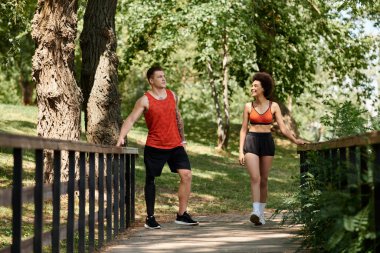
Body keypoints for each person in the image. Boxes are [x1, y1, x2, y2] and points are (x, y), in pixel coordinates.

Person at [116, 66, 199, 229]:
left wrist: (183, 139)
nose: (163, 78)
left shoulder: (172, 95)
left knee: (187, 175)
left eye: (164, 76)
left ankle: (182, 215)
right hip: (155, 146)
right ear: (151, 80)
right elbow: (131, 119)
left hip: (175, 145)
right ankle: (150, 217)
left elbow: (177, 117)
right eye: (159, 76)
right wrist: (121, 136)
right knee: (151, 179)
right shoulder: (144, 100)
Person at [238, 72, 305, 226]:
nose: (252, 88)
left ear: (263, 88)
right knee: (255, 177)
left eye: (255, 85)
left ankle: (261, 214)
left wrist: (295, 140)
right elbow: (243, 129)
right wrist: (241, 151)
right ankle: (255, 211)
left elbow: (283, 128)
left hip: (267, 142)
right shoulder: (248, 106)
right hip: (251, 141)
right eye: (252, 85)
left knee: (264, 180)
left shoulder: (273, 106)